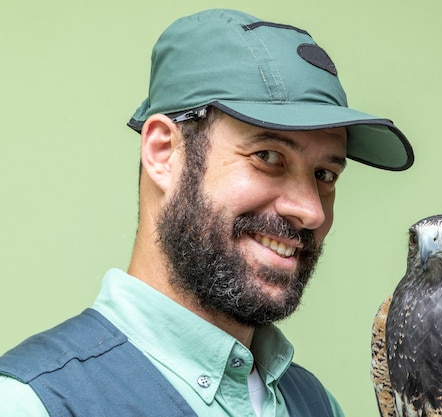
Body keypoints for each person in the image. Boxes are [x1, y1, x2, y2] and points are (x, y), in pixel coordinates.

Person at [0, 8, 413, 416]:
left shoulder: (316, 405)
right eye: (267, 156)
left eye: (325, 174)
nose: (311, 211)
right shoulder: (32, 403)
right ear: (164, 153)